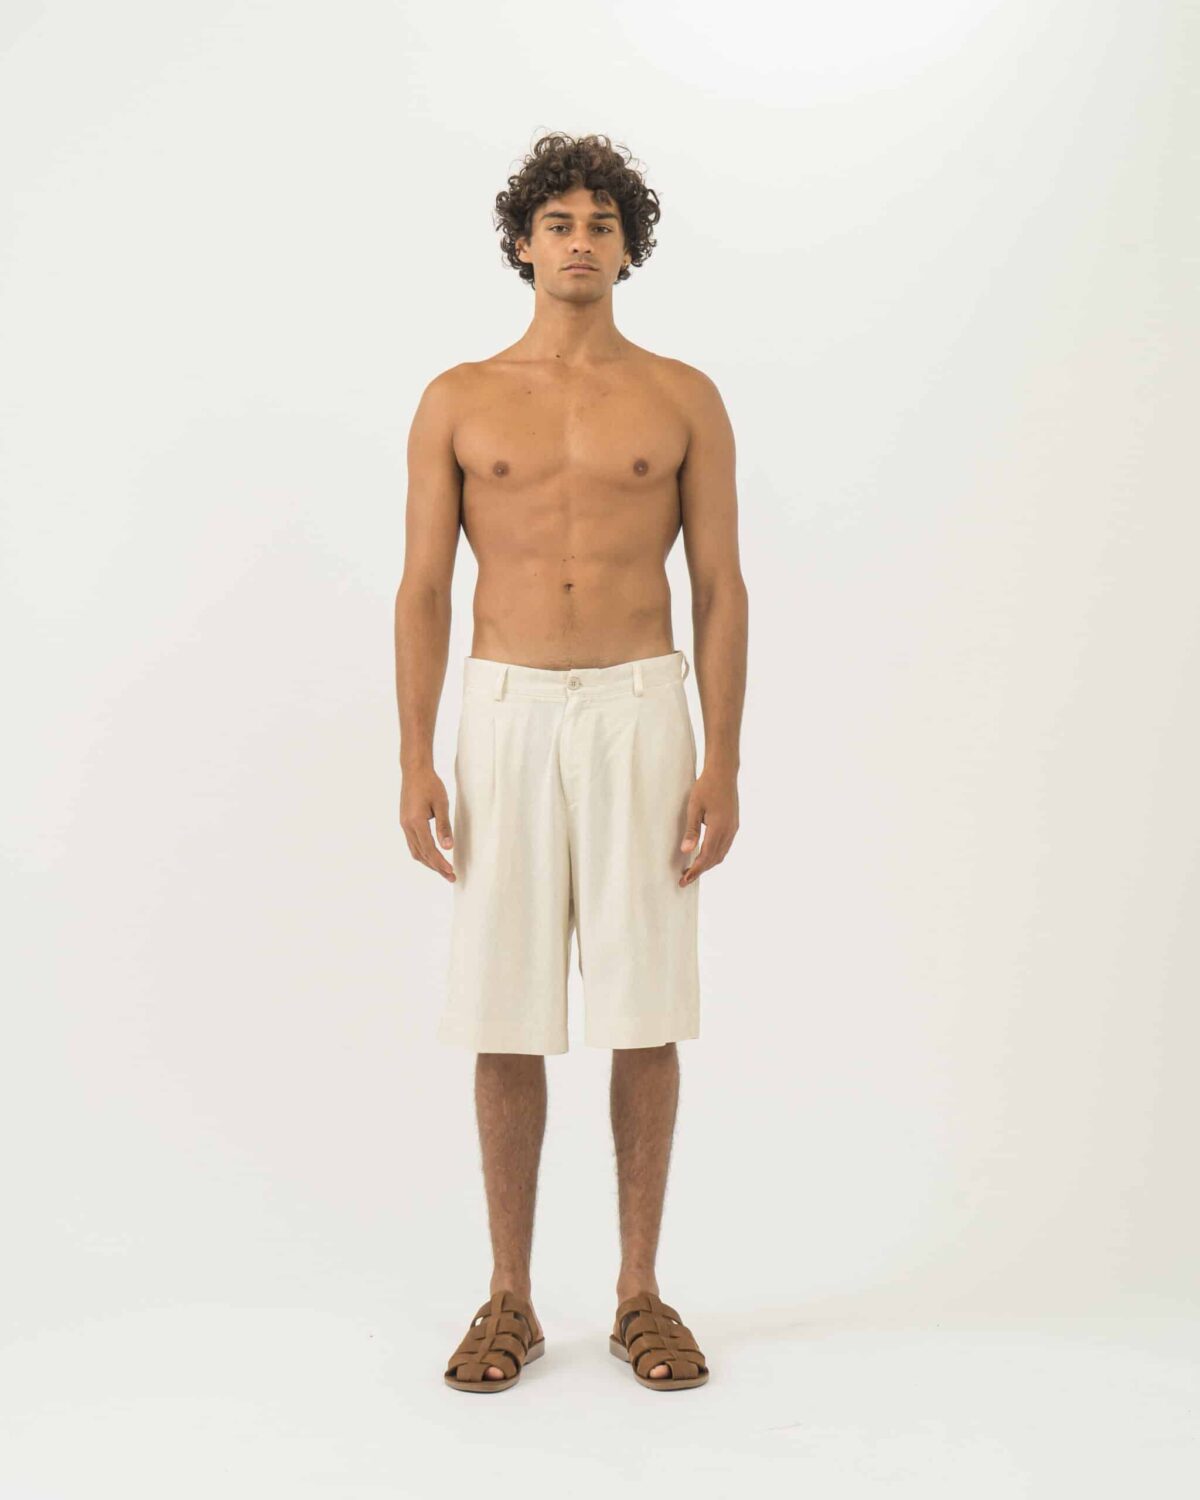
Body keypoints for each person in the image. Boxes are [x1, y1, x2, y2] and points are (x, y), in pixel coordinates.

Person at [393, 132, 748, 1393]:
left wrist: (724, 760)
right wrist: (414, 756)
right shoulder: (459, 397)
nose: (581, 240)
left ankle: (640, 1290)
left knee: (645, 1006)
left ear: (629, 248)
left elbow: (720, 587)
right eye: (559, 222)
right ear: (523, 244)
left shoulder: (682, 396)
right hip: (503, 712)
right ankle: (510, 1296)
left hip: (642, 708)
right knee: (505, 1009)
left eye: (603, 222)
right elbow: (424, 588)